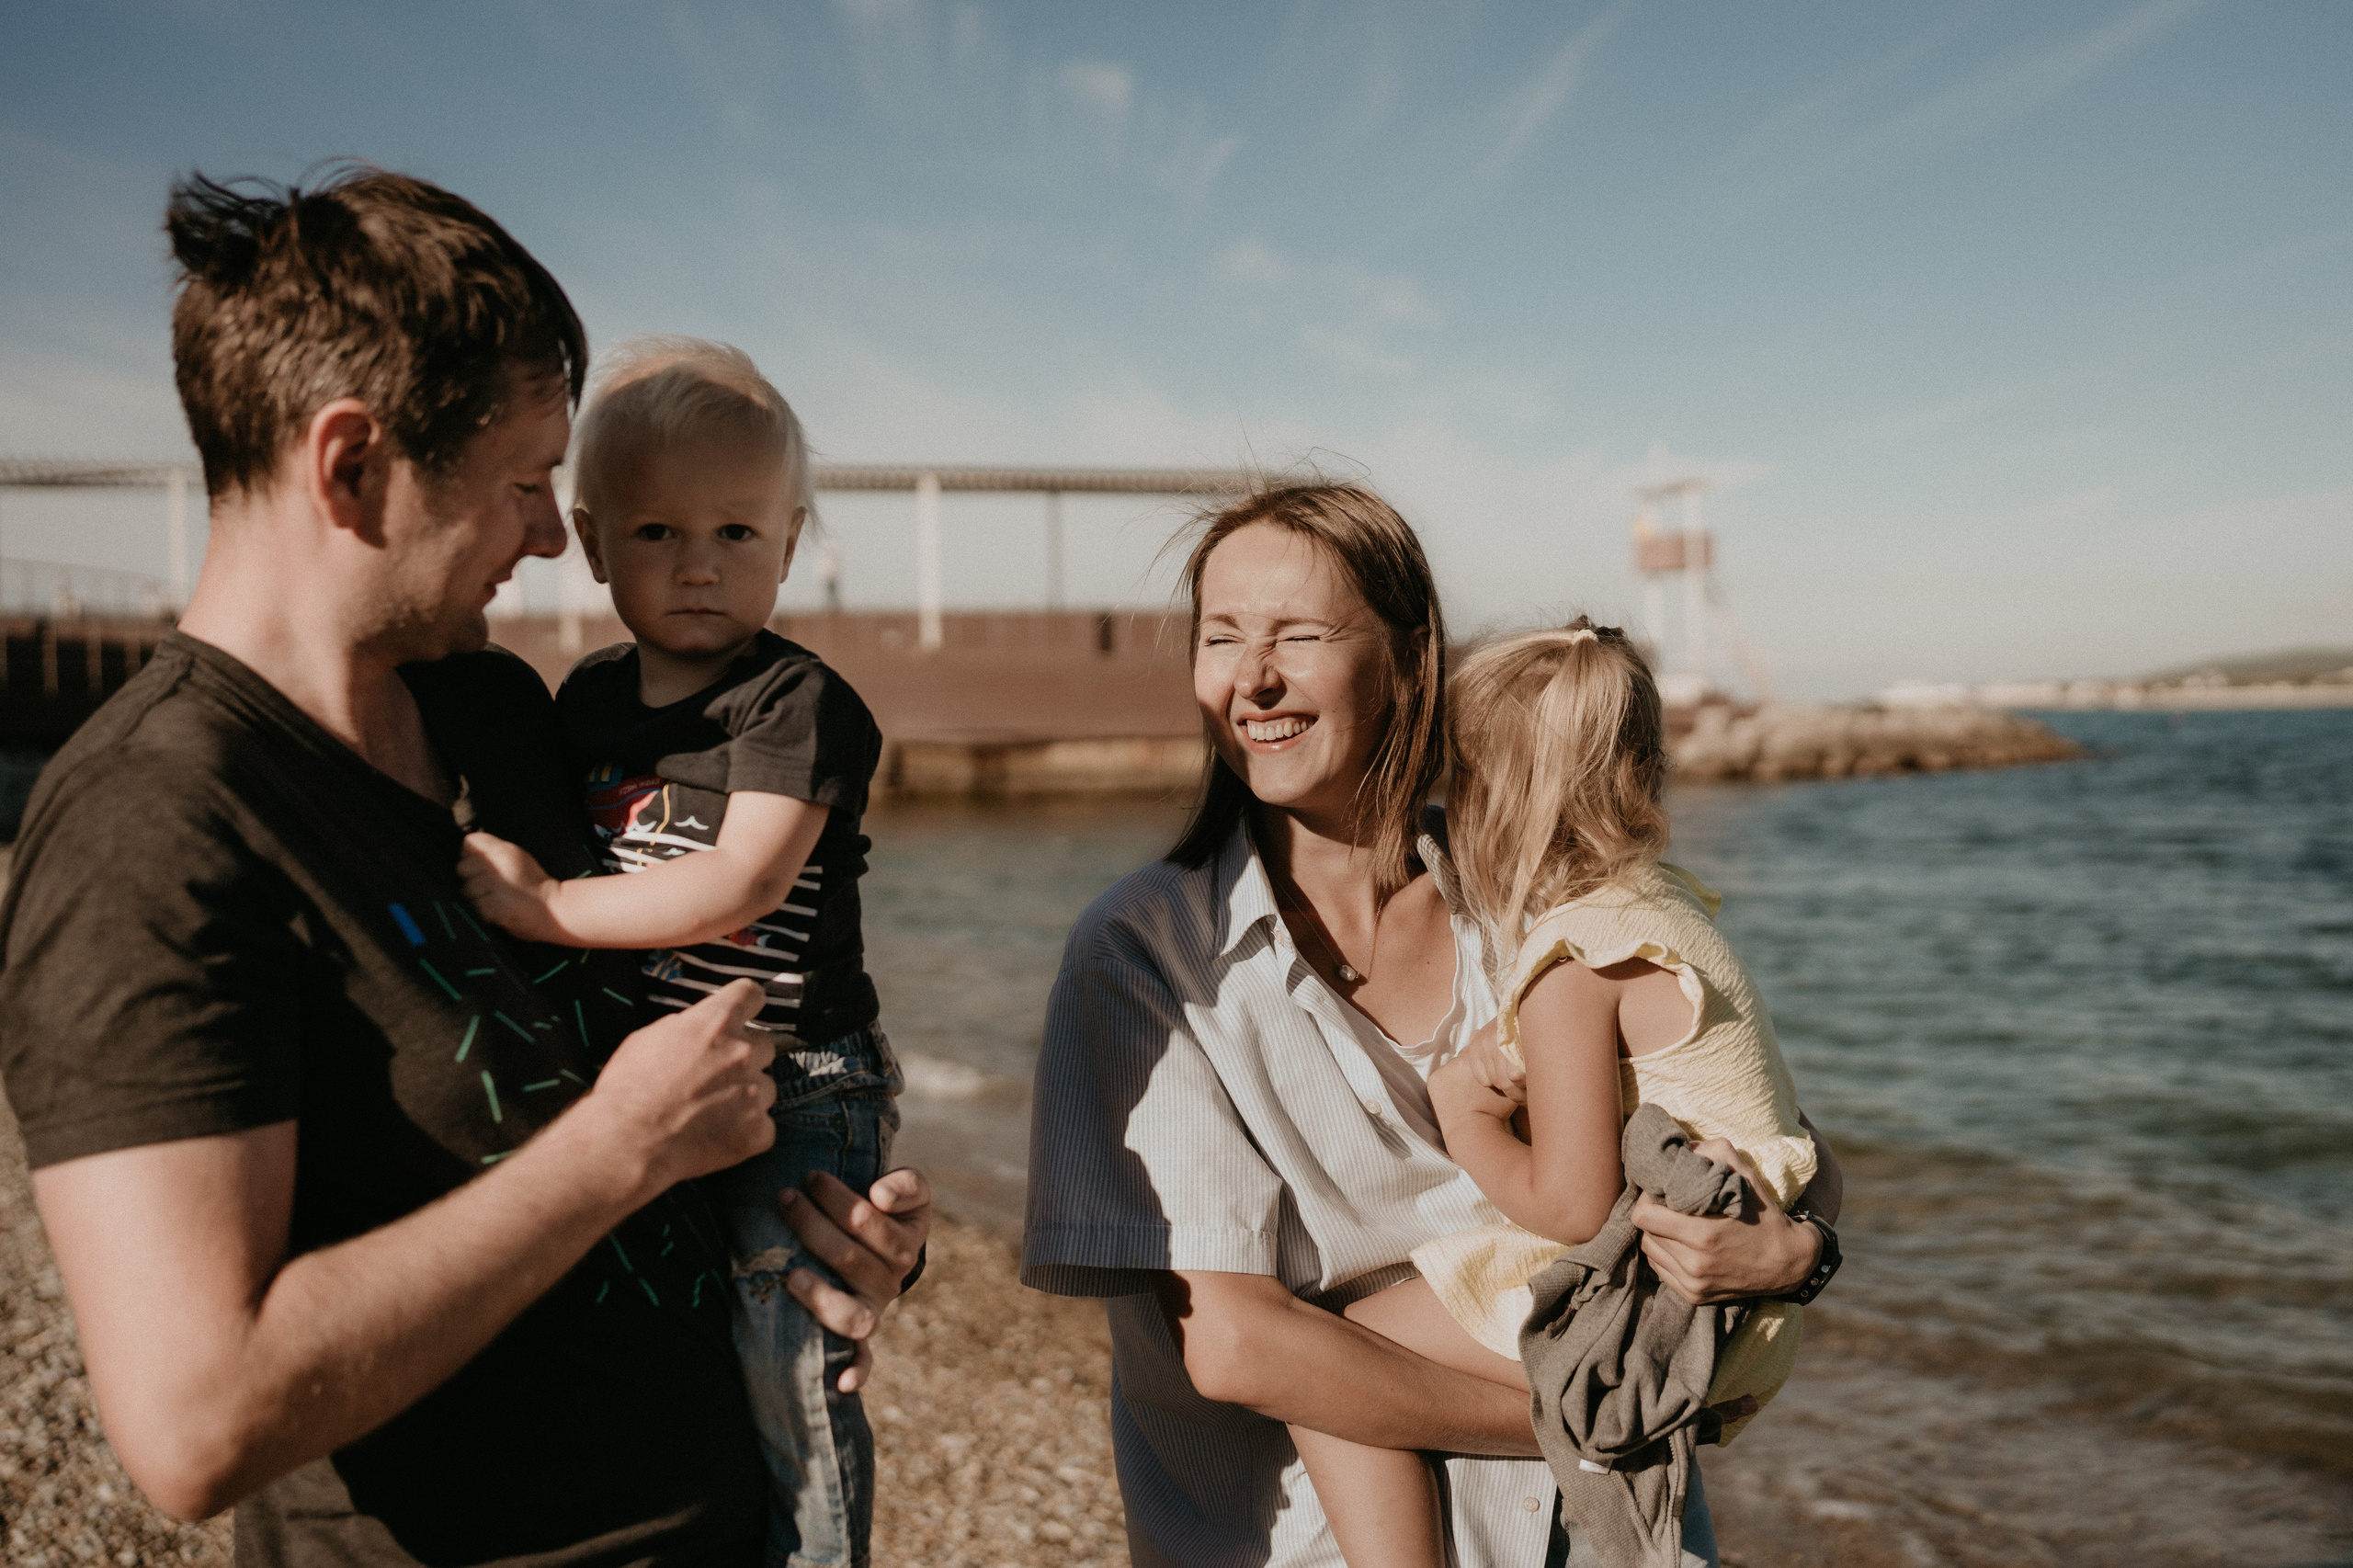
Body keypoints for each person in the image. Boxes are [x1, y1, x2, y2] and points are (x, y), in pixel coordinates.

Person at [0, 168, 927, 1566]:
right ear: (351, 467)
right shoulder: (155, 823)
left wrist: (831, 1223)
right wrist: (622, 1146)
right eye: (524, 483)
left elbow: (661, 1018)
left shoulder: (493, 710)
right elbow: (195, 1422)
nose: (555, 534)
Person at [1023, 482, 1843, 1568]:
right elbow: (1236, 1347)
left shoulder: (1538, 896)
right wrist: (1612, 1417)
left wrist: (1796, 1249)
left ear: (1411, 660)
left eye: (1298, 635)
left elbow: (1759, 1124)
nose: (1252, 676)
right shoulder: (1141, 957)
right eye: (1220, 637)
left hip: (1609, 1540)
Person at [460, 336, 899, 1568]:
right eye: (657, 532)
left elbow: (741, 882)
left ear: (789, 542)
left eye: (736, 533)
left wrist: (549, 907)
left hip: (799, 1074)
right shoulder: (588, 700)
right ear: (592, 544)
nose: (699, 565)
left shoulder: (794, 703)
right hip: (664, 1073)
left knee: (791, 1340)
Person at [1281, 620, 1832, 1568]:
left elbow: (1573, 1208)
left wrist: (1466, 1117)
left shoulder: (1572, 966)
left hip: (1665, 1312)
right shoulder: (1666, 906)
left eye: (1458, 779)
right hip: (1751, 1309)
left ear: (1496, 798)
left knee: (1324, 1364)